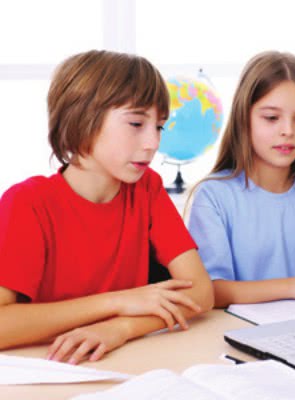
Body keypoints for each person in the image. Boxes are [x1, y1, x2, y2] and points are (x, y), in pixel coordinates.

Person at [0, 50, 214, 364]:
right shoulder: (27, 203)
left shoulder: (147, 188)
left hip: (125, 362)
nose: (153, 143)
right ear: (81, 118)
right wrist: (118, 302)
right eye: (137, 123)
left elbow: (201, 294)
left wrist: (122, 328)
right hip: (51, 368)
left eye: (159, 127)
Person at [187, 51, 295, 308]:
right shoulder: (214, 196)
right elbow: (210, 291)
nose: (288, 131)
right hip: (241, 336)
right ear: (243, 117)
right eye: (271, 118)